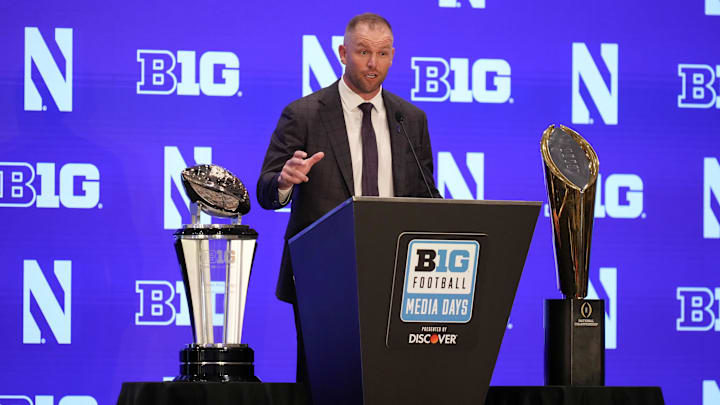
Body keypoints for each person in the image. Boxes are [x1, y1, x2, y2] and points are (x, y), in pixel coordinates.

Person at [256, 12, 440, 382]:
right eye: (363, 52)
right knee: (325, 383)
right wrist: (285, 181)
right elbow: (265, 189)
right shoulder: (304, 114)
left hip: (395, 278)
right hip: (323, 276)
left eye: (384, 53)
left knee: (393, 383)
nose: (374, 63)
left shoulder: (410, 119)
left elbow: (425, 194)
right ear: (343, 53)